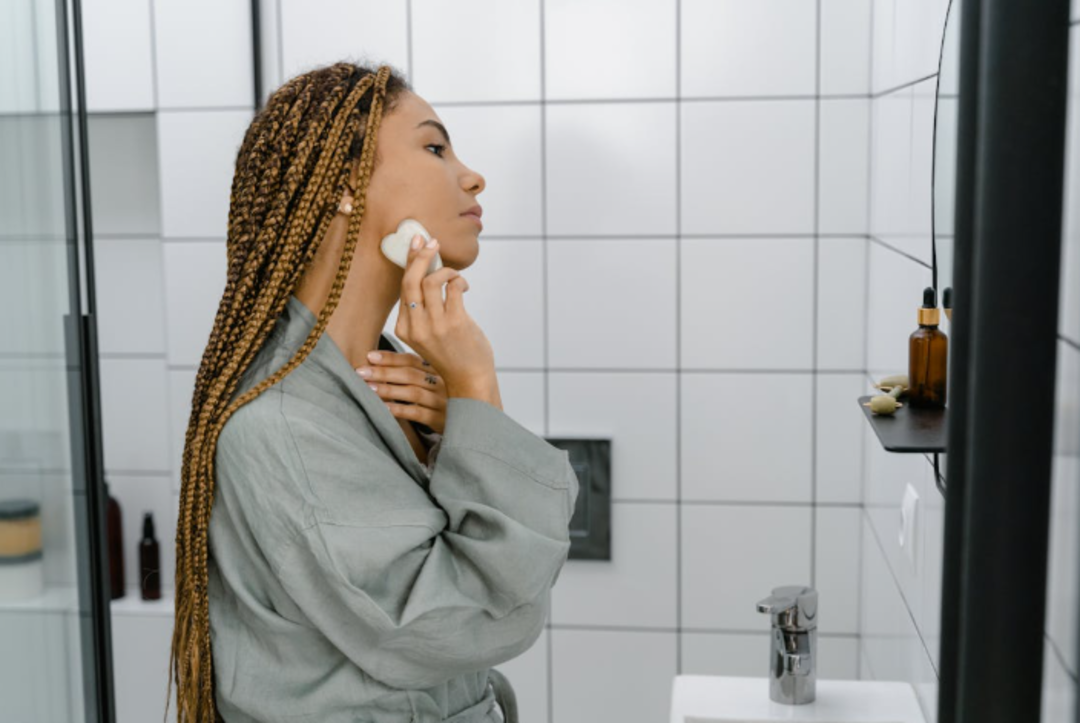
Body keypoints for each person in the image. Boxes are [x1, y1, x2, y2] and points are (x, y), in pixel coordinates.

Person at [167, 61, 579, 723]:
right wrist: (477, 383)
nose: (471, 175)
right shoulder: (284, 425)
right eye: (434, 147)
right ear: (347, 184)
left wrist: (468, 423)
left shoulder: (381, 389)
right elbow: (471, 622)